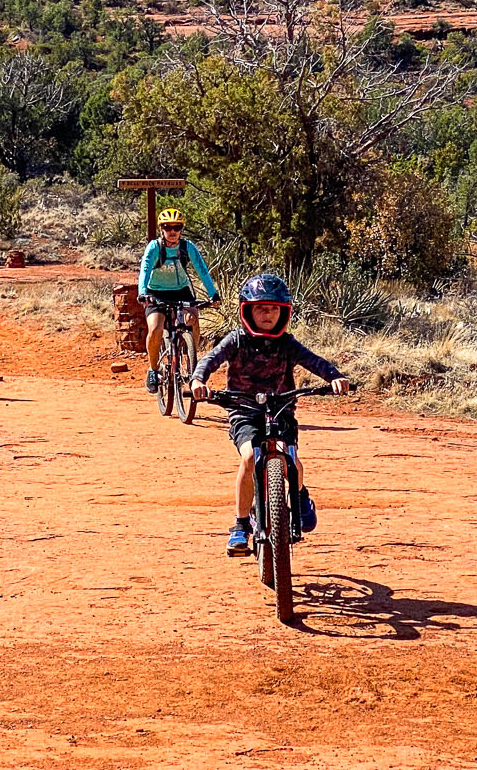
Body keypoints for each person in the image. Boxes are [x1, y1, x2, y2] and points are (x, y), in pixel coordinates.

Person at [191, 273, 350, 556]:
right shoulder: (236, 340)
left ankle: (299, 495)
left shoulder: (287, 343)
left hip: (281, 409)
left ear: (284, 312)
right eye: (261, 308)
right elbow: (210, 359)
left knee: (292, 460)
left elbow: (313, 361)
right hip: (245, 410)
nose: (267, 314)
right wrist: (198, 381)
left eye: (274, 309)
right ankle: (241, 524)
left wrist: (334, 377)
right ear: (247, 311)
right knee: (249, 457)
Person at [138, 207, 219, 395]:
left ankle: (191, 360)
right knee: (155, 328)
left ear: (182, 229)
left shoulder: (187, 247)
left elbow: (202, 270)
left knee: (192, 319)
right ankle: (153, 370)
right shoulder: (154, 247)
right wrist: (142, 293)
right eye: (168, 227)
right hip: (156, 292)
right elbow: (145, 270)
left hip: (181, 291)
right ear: (161, 229)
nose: (172, 231)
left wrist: (213, 294)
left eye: (177, 227)